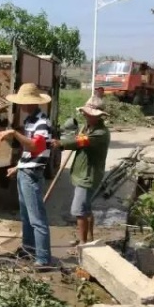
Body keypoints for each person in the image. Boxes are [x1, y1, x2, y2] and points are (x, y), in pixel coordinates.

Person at [0, 83, 53, 268]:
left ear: (32, 103)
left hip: (33, 174)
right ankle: (28, 249)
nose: (21, 105)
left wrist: (14, 134)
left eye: (23, 102)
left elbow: (36, 146)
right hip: (25, 171)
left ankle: (43, 259)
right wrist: (18, 167)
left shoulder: (42, 122)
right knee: (26, 215)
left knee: (37, 218)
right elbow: (29, 153)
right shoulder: (30, 121)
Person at [50, 96, 110, 251]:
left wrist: (61, 143)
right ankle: (89, 239)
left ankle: (83, 244)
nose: (85, 115)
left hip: (88, 175)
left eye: (88, 114)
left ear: (98, 116)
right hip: (84, 174)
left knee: (79, 210)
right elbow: (79, 139)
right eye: (85, 113)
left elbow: (80, 142)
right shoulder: (89, 127)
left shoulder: (100, 133)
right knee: (86, 208)